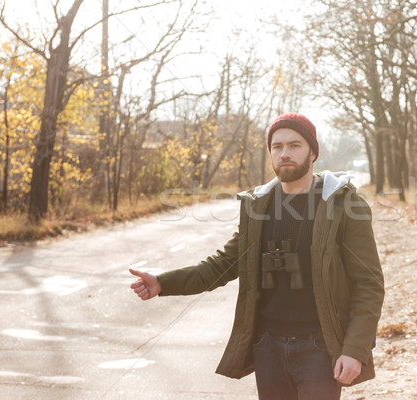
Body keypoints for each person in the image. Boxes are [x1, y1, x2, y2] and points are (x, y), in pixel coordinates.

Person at [130, 112, 385, 400]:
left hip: (320, 348)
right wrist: (163, 283)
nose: (285, 153)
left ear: (313, 152)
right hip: (268, 347)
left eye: (294, 145)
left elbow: (369, 284)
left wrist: (354, 350)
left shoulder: (343, 205)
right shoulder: (258, 207)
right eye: (277, 147)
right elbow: (222, 265)